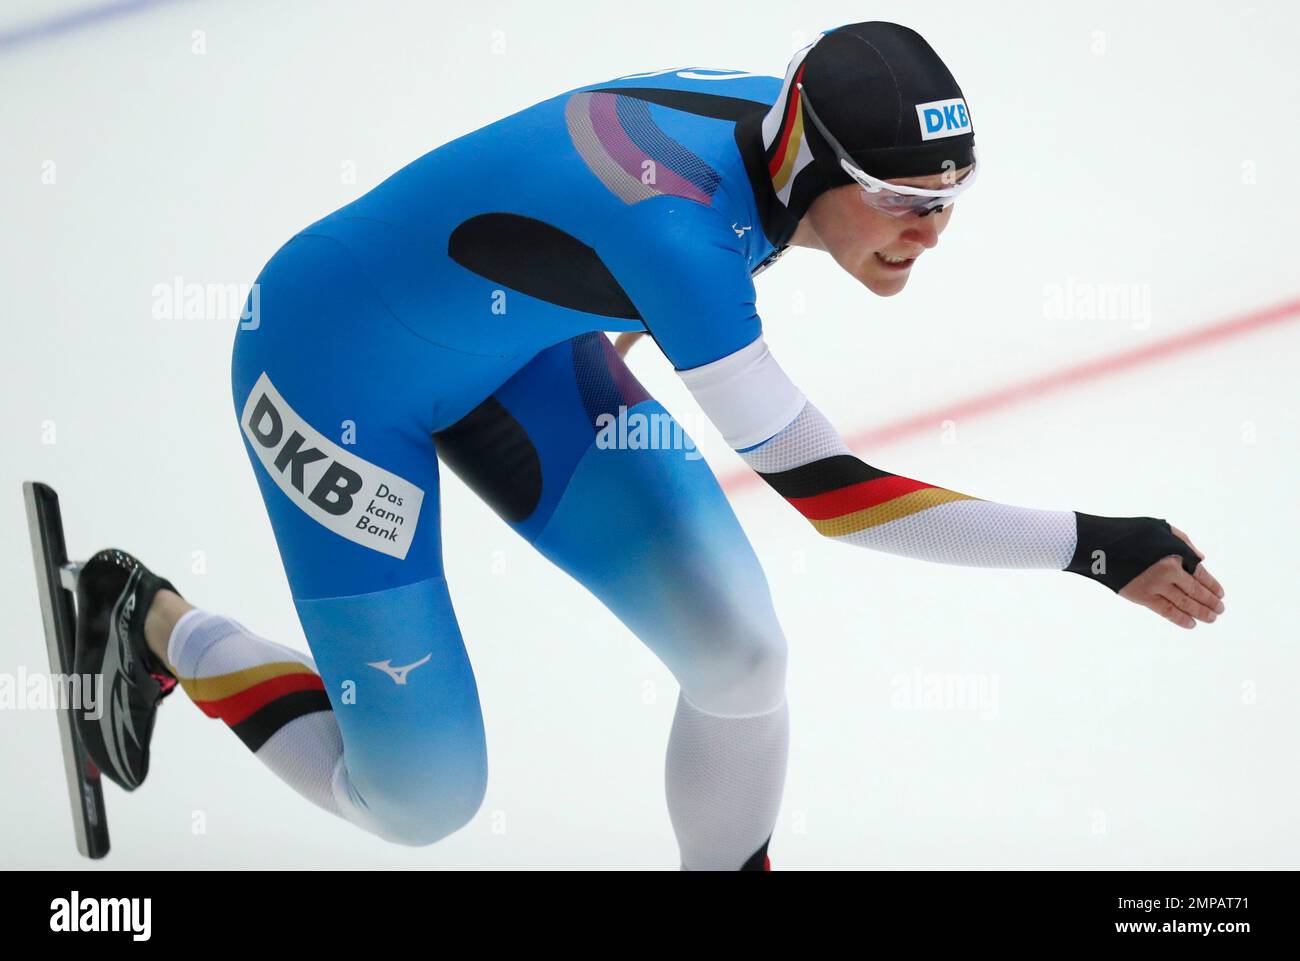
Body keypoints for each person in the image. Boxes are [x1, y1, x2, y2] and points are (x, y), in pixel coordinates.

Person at [71, 21, 1225, 871]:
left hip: (515, 347)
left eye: (951, 195)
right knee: (418, 801)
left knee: (744, 662)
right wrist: (1091, 548)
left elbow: (574, 193)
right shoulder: (683, 239)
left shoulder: (771, 132)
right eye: (900, 199)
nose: (931, 232)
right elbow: (834, 495)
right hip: (329, 373)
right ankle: (153, 619)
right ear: (814, 162)